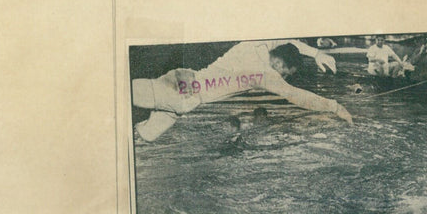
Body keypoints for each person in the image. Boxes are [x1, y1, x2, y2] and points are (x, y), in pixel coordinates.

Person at [132, 39, 353, 142]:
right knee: (119, 94)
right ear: (280, 65)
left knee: (144, 135)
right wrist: (335, 106)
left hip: (183, 86)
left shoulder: (258, 43)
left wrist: (316, 54)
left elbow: (289, 40)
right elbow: (296, 96)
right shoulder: (265, 74)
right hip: (181, 93)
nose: (284, 77)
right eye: (287, 73)